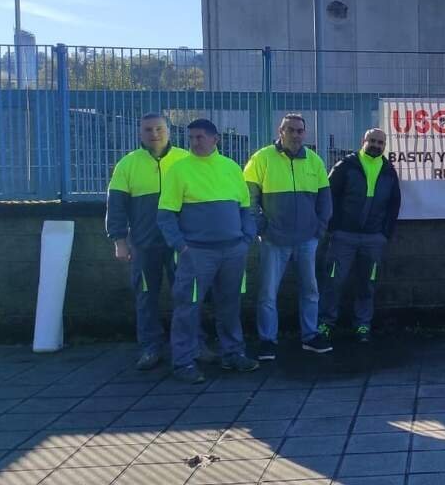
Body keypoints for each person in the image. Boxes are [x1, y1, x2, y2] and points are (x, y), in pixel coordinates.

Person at [158, 119, 260, 383]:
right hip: (197, 253)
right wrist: (181, 246)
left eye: (200, 137)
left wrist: (246, 239)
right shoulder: (179, 170)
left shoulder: (231, 167)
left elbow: (246, 209)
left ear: (216, 139)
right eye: (191, 137)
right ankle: (183, 362)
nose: (194, 142)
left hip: (233, 251)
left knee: (229, 305)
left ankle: (233, 353)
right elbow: (166, 215)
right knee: (187, 307)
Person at [244, 114, 334, 360]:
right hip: (274, 240)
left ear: (305, 133)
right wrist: (262, 228)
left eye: (299, 131)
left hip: (307, 240)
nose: (295, 134)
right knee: (267, 293)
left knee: (310, 290)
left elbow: (325, 200)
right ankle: (267, 341)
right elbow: (248, 198)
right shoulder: (261, 158)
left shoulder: (314, 160)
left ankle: (310, 336)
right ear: (280, 131)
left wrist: (319, 228)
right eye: (290, 130)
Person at [106, 113, 191, 370]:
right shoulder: (127, 164)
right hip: (144, 244)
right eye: (148, 130)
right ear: (140, 133)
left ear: (169, 131)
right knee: (145, 298)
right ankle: (150, 348)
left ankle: (192, 344)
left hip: (180, 244)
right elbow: (116, 206)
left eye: (159, 129)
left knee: (187, 296)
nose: (154, 134)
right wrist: (119, 241)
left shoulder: (186, 160)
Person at [317, 128, 401, 344]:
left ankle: (363, 324)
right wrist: (334, 227)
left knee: (367, 283)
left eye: (380, 143)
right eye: (372, 141)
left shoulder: (389, 171)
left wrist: (384, 233)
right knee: (333, 282)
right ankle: (325, 323)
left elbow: (394, 205)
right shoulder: (346, 166)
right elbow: (328, 195)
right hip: (344, 237)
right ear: (363, 141)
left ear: (385, 146)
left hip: (374, 239)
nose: (376, 145)